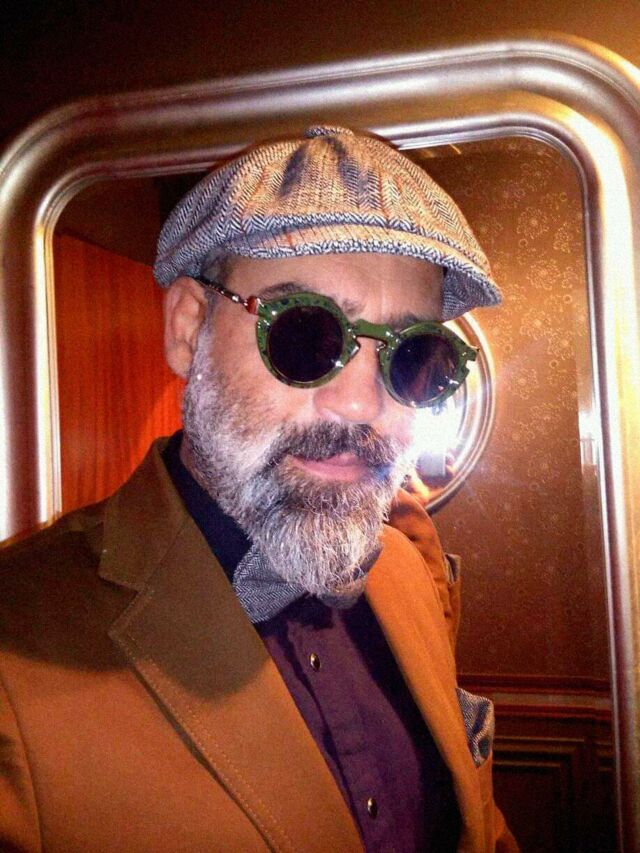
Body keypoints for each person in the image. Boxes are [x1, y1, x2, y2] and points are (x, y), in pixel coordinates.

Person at [0, 126, 517, 852]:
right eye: (306, 334)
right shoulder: (15, 655)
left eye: (413, 355)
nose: (361, 404)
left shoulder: (406, 573)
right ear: (189, 329)